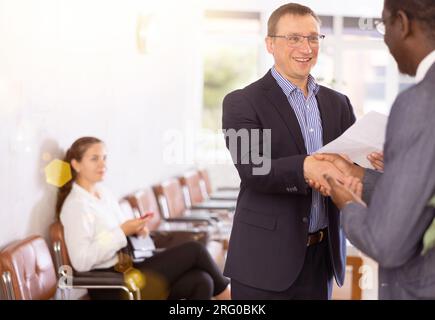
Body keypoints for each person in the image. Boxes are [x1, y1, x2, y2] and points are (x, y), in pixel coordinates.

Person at [221, 3, 357, 299]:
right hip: (264, 262)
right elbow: (253, 167)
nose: (305, 47)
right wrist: (307, 168)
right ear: (270, 44)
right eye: (293, 38)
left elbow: (351, 165)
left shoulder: (339, 104)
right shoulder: (241, 102)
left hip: (322, 257)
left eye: (312, 38)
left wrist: (369, 164)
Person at [312, 0, 435, 299]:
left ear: (402, 23)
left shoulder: (419, 103)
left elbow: (386, 243)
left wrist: (347, 203)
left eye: (384, 25)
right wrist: (358, 174)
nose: (385, 38)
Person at [57, 137, 231, 300]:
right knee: (195, 249)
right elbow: (81, 261)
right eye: (94, 159)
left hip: (129, 268)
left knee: (202, 281)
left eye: (104, 158)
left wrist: (137, 231)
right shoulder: (76, 206)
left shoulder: (104, 194)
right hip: (110, 283)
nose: (103, 164)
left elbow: (117, 233)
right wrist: (122, 231)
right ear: (76, 165)